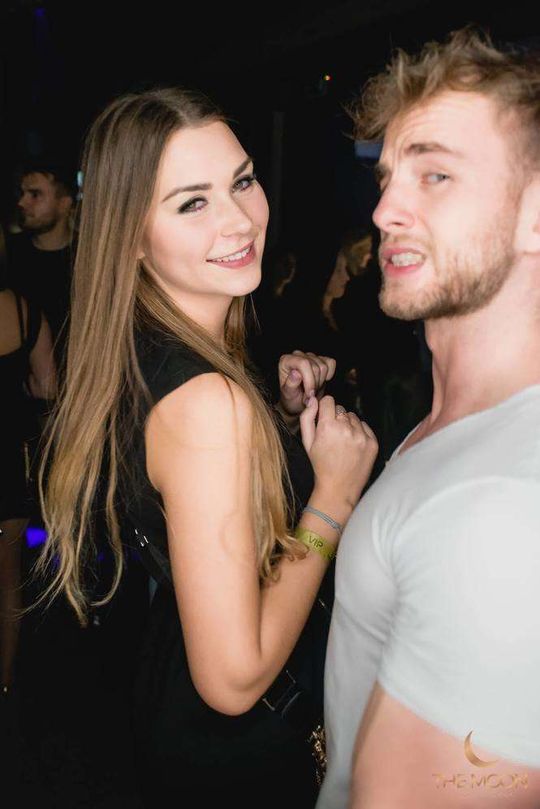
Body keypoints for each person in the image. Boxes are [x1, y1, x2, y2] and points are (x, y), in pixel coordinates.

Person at [38, 87, 378, 808]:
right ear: (131, 236)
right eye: (192, 202)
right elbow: (232, 679)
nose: (240, 219)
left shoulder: (155, 349)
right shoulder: (205, 401)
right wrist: (332, 495)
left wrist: (277, 422)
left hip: (174, 717)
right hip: (241, 749)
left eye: (242, 181)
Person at [317, 27, 540, 809]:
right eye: (386, 178)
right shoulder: (460, 422)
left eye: (435, 174)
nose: (384, 210)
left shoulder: (504, 511)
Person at [0, 225, 56, 694]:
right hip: (9, 462)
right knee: (9, 580)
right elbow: (48, 388)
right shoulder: (23, 310)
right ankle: (4, 682)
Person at [7, 163, 77, 365]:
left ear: (64, 204)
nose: (22, 202)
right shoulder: (9, 254)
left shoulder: (88, 258)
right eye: (22, 193)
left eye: (35, 195)